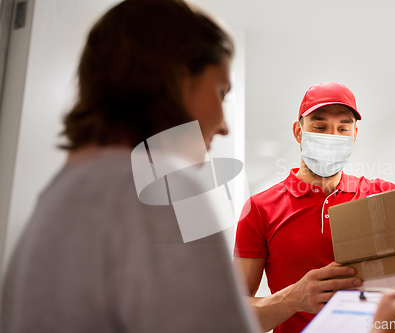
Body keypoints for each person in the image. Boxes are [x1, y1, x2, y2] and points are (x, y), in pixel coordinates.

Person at [1, 1, 259, 332]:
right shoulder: (160, 189)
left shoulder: (60, 191)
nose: (224, 126)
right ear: (179, 79)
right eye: (221, 91)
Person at [233, 81, 395, 332]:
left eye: (343, 128)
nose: (331, 137)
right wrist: (293, 299)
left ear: (354, 135)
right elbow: (231, 313)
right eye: (320, 127)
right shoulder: (259, 208)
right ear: (299, 132)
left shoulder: (383, 195)